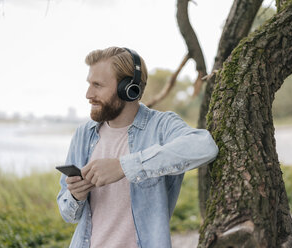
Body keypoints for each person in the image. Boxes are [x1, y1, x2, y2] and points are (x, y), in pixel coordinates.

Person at [57, 46, 218, 248]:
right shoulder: (83, 134)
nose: (88, 94)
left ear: (128, 88)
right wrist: (75, 195)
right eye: (89, 84)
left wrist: (124, 166)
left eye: (97, 85)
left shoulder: (161, 126)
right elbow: (67, 213)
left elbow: (204, 147)